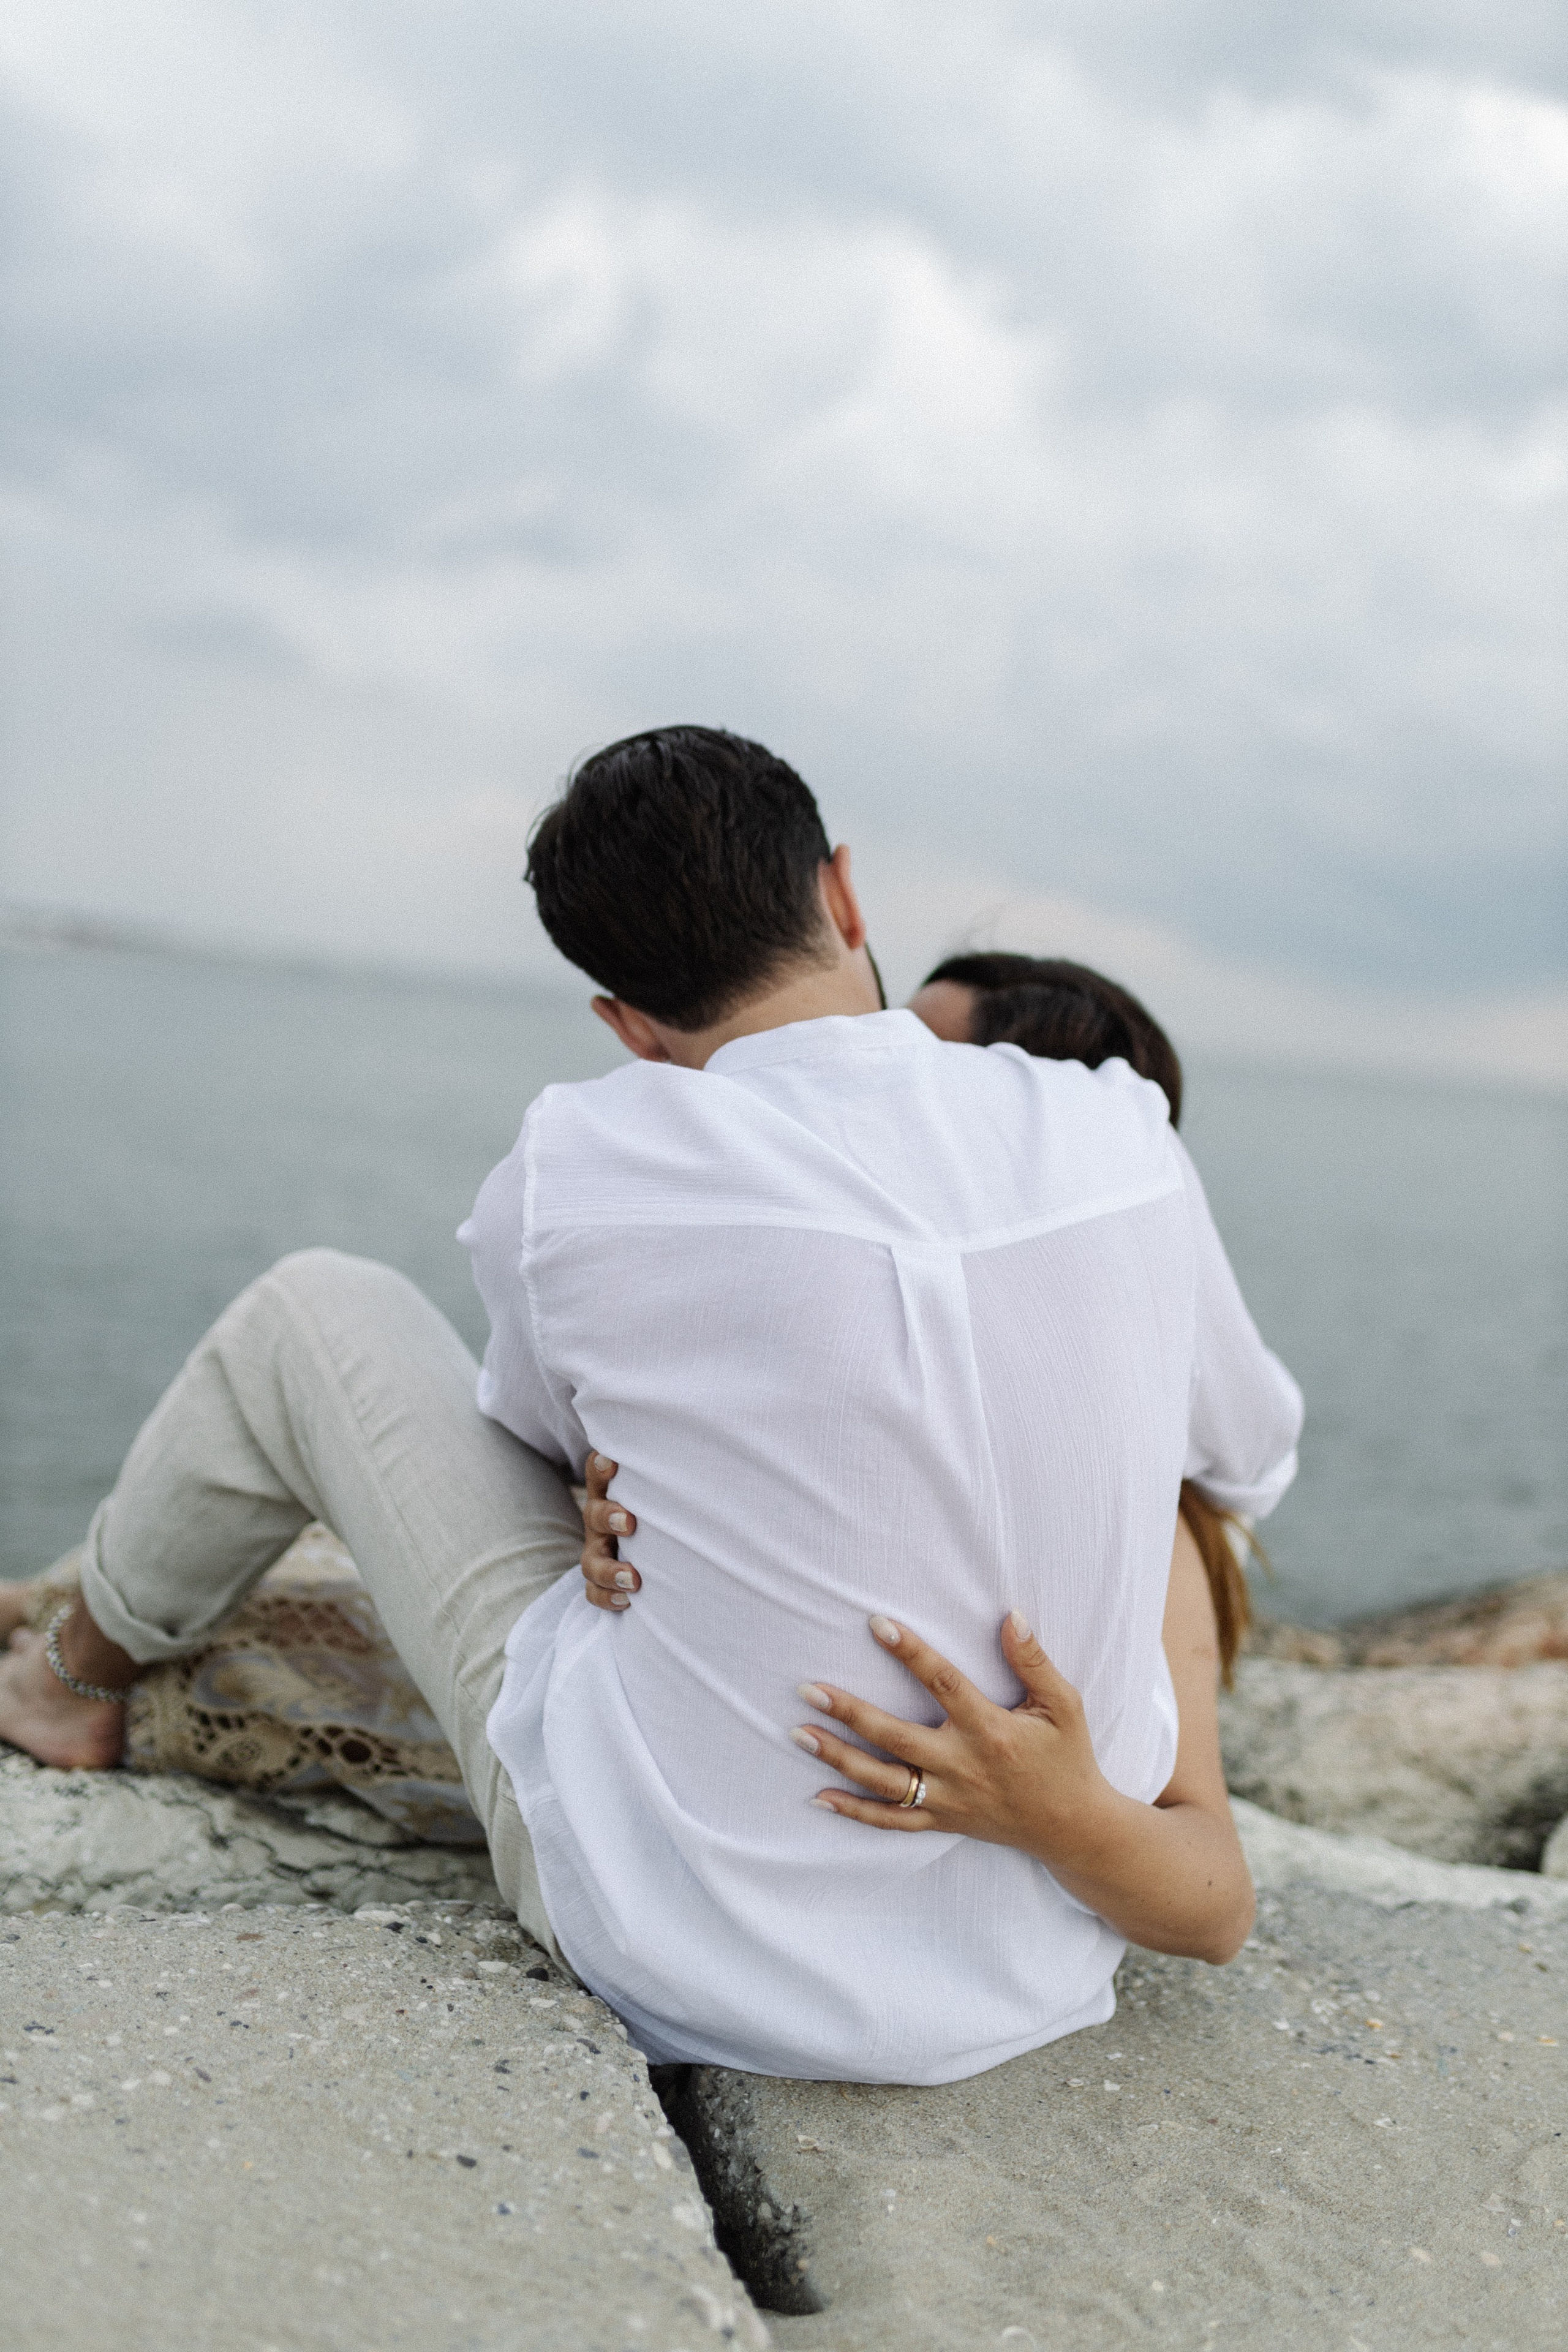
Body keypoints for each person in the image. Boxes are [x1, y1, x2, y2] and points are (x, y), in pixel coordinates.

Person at [0, 726, 1302, 2086]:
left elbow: (551, 1447)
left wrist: (608, 1485)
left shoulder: (579, 1158)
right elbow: (1243, 1453)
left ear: (624, 1024)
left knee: (308, 1311)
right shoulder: (1114, 1135)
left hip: (675, 1946)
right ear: (843, 892)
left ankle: (67, 1683)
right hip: (1023, 1976)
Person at [581, 950, 1262, 1684]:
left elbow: (1189, 1806)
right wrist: (618, 1534)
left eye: (930, 1069)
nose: (877, 1078)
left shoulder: (1142, 1533)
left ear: (1037, 1140)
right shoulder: (865, 1354)